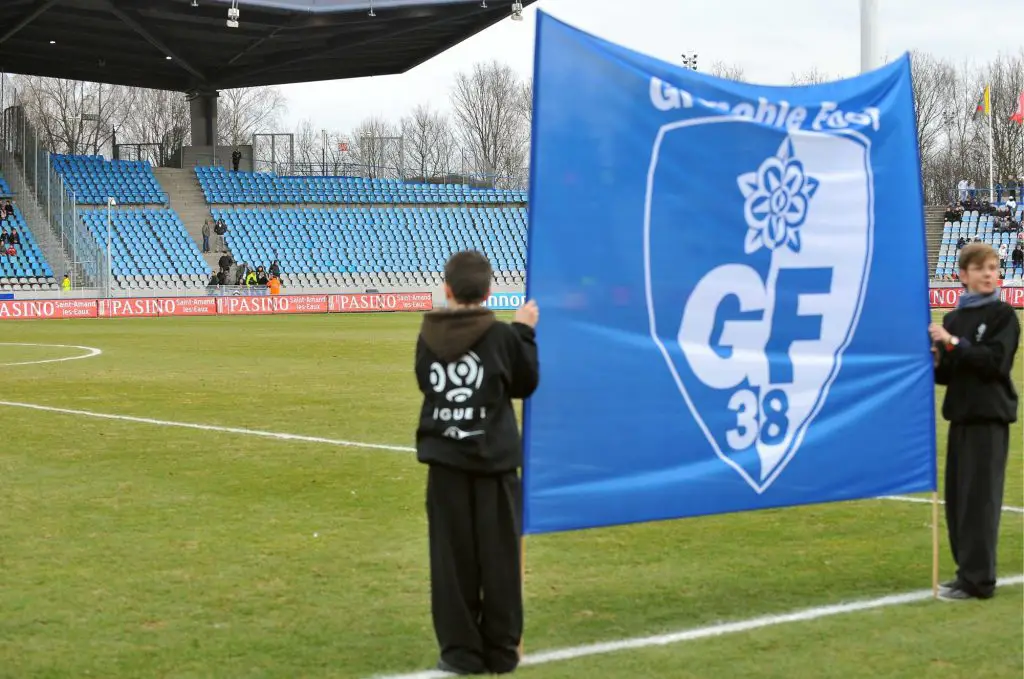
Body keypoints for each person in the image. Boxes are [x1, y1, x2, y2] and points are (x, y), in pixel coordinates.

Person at [414, 250, 539, 675]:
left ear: (447, 289)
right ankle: (501, 650)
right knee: (500, 559)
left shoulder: (427, 335)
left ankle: (460, 652)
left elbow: (424, 382)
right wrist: (524, 333)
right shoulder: (502, 337)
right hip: (494, 464)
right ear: (488, 293)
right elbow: (525, 383)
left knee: (451, 564)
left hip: (445, 462)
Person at [929, 242, 1020, 601]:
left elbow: (995, 362)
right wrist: (936, 359)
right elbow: (949, 374)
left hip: (989, 419)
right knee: (958, 501)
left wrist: (953, 343)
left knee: (980, 501)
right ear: (963, 275)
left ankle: (979, 581)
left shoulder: (1003, 316)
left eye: (993, 268)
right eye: (980, 268)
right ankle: (964, 572)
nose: (988, 274)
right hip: (961, 417)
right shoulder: (954, 318)